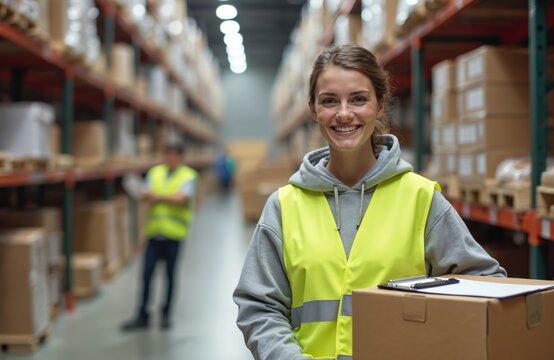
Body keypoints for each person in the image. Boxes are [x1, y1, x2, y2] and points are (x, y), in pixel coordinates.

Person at [233, 45, 506, 360]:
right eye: (329, 101)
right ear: (313, 110)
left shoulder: (420, 198)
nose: (344, 113)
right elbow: (259, 306)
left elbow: (486, 286)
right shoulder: (284, 205)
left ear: (379, 106)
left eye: (359, 99)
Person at [122, 143, 198, 331]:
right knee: (146, 274)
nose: (170, 159)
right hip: (154, 233)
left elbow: (183, 199)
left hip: (174, 235)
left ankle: (165, 315)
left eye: (174, 155)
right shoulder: (155, 173)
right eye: (167, 155)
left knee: (170, 275)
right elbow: (145, 193)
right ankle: (142, 316)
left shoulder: (188, 175)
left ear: (180, 157)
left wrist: (157, 197)